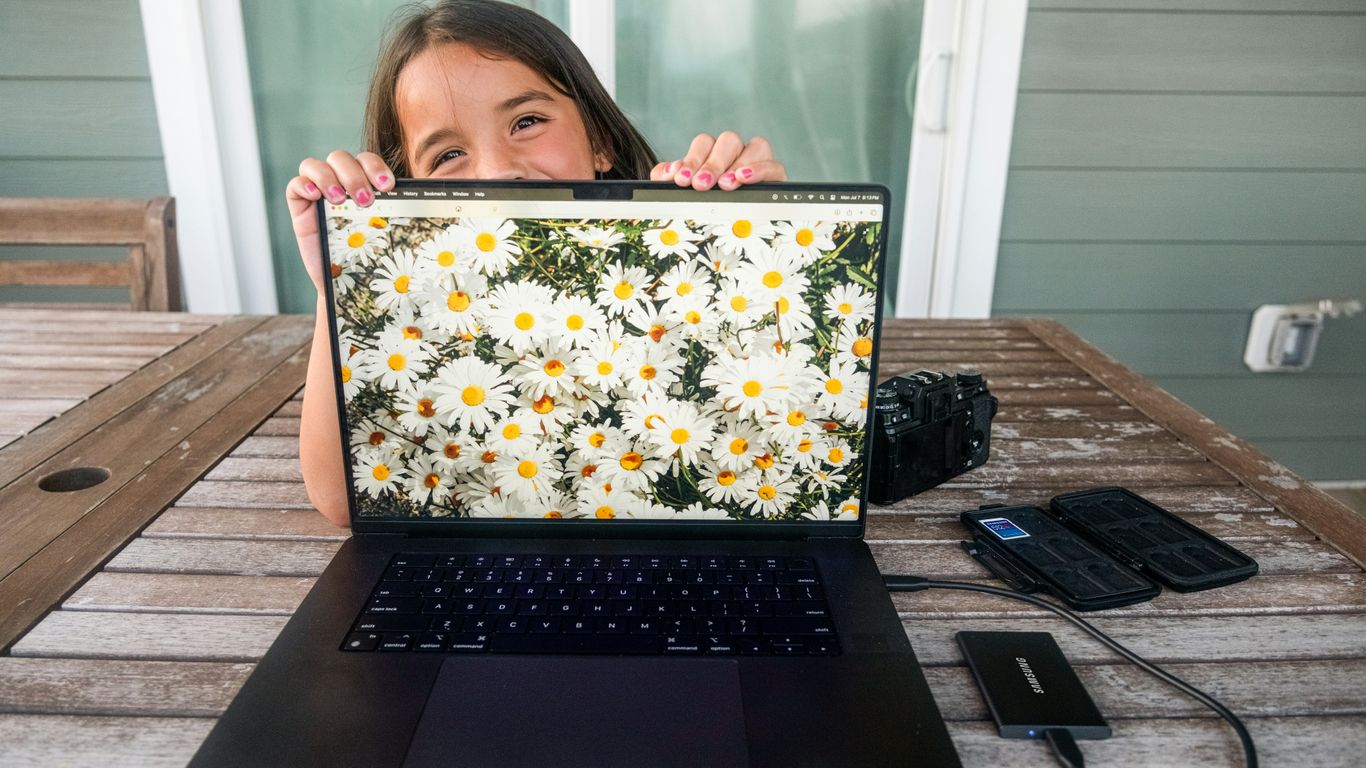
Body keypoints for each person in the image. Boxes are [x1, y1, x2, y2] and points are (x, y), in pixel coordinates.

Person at [287, 0, 787, 526]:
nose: (500, 170)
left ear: (600, 139)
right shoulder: (422, 319)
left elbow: (762, 438)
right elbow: (344, 501)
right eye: (447, 155)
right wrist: (337, 285)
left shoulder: (676, 264)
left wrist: (757, 251)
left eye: (526, 121)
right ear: (407, 187)